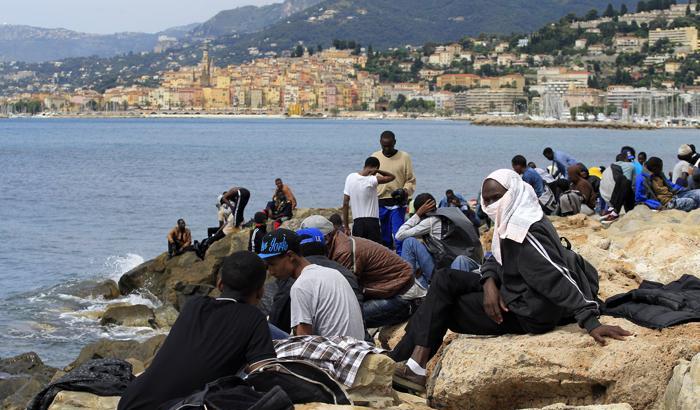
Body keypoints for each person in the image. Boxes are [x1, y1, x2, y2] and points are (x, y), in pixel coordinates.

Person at [389, 169, 630, 392]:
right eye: (488, 200)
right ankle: (405, 364)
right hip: (517, 290)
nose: (492, 204)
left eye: (497, 197)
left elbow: (555, 274)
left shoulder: (522, 229)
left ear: (513, 192)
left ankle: (408, 365)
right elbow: (495, 257)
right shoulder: (516, 213)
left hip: (530, 312)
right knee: (444, 279)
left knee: (442, 305)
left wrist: (590, 321)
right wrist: (489, 282)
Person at [118, 251, 276, 410]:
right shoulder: (254, 318)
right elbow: (265, 374)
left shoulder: (194, 305)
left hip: (131, 401)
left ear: (220, 284)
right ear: (260, 292)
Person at [304, 216, 418, 328]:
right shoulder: (338, 243)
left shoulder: (343, 251)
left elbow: (347, 292)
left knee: (342, 319)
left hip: (400, 294)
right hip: (386, 291)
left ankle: (410, 309)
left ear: (327, 238)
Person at [259, 229, 365, 340]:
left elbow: (304, 341)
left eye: (272, 264)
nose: (270, 272)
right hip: (357, 346)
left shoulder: (301, 286)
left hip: (336, 353)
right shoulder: (333, 273)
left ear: (290, 256)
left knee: (266, 328)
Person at [395, 193, 481, 289]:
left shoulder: (430, 221)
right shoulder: (449, 214)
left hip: (441, 269)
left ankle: (408, 286)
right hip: (462, 261)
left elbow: (399, 235)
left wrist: (417, 214)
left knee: (409, 241)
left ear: (421, 209)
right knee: (421, 244)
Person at [372, 131, 416, 254]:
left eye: (389, 146)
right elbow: (370, 179)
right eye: (384, 146)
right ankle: (388, 261)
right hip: (380, 202)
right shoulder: (375, 157)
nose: (387, 149)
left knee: (398, 235)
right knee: (384, 237)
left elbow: (411, 180)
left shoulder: (404, 157)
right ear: (380, 142)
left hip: (398, 202)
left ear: (395, 143)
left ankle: (403, 260)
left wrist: (405, 191)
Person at [343, 156, 396, 243]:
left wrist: (346, 226)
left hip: (357, 223)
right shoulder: (372, 179)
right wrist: (378, 171)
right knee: (374, 253)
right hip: (372, 223)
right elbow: (392, 177)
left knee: (359, 252)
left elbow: (345, 203)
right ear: (375, 168)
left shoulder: (350, 177)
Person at [635, 157, 700, 212]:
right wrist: (657, 206)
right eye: (660, 167)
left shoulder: (659, 174)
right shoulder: (642, 179)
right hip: (666, 203)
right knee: (693, 202)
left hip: (674, 196)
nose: (661, 169)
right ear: (654, 168)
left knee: (698, 193)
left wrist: (684, 189)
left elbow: (671, 186)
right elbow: (640, 199)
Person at [599, 154, 637, 223]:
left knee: (622, 183)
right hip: (614, 198)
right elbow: (631, 185)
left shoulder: (609, 167)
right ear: (625, 160)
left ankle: (610, 210)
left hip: (605, 197)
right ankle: (616, 213)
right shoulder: (630, 166)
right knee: (627, 183)